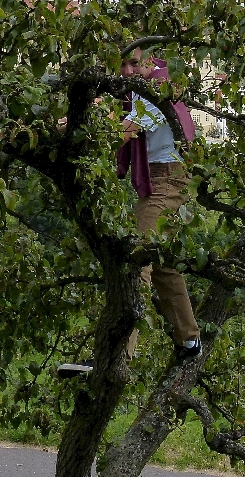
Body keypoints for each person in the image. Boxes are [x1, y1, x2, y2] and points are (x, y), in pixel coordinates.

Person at [58, 49, 199, 379]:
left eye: (135, 63)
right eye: (122, 64)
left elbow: (121, 132)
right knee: (163, 266)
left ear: (152, 61)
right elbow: (112, 119)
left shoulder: (159, 90)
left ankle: (115, 357)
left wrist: (78, 129)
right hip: (158, 179)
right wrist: (70, 122)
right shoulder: (135, 93)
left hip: (168, 179)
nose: (126, 70)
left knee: (135, 262)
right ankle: (189, 341)